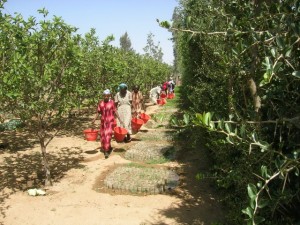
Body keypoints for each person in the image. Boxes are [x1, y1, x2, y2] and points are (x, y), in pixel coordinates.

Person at [92, 89, 118, 159]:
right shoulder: (101, 103)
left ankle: (106, 152)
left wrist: (120, 119)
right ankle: (108, 147)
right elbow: (98, 112)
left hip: (110, 122)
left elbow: (115, 111)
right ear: (103, 96)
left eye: (107, 96)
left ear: (109, 96)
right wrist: (94, 119)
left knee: (108, 135)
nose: (106, 97)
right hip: (103, 122)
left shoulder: (112, 102)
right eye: (105, 96)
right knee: (103, 136)